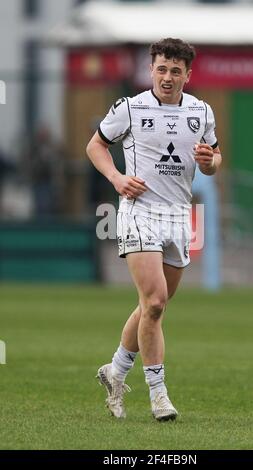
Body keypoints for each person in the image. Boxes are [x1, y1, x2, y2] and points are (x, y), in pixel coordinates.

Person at [86, 38, 222, 421]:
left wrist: (210, 161)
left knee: (152, 307)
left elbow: (213, 161)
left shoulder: (201, 111)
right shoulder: (130, 107)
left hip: (180, 217)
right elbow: (95, 145)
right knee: (156, 301)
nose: (167, 77)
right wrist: (116, 177)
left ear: (187, 75)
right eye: (161, 69)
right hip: (138, 211)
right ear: (152, 70)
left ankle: (115, 371)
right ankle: (158, 395)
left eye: (175, 71)